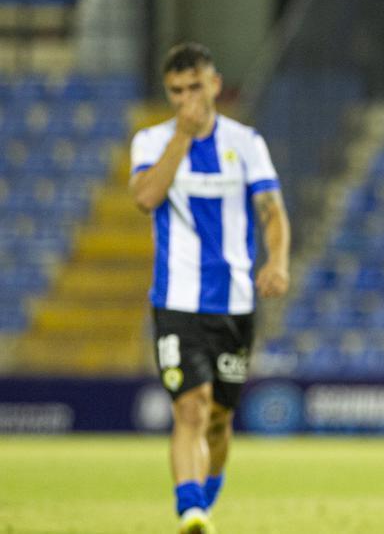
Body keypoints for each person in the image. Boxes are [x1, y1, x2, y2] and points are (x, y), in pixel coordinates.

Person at [130, 42, 291, 534]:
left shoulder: (245, 142)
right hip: (175, 302)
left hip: (236, 303)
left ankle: (205, 502)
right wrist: (182, 134)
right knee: (191, 406)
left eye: (195, 87)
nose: (187, 99)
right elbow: (146, 197)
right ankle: (190, 510)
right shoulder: (152, 141)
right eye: (176, 91)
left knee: (219, 418)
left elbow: (272, 212)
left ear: (215, 85)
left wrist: (278, 262)